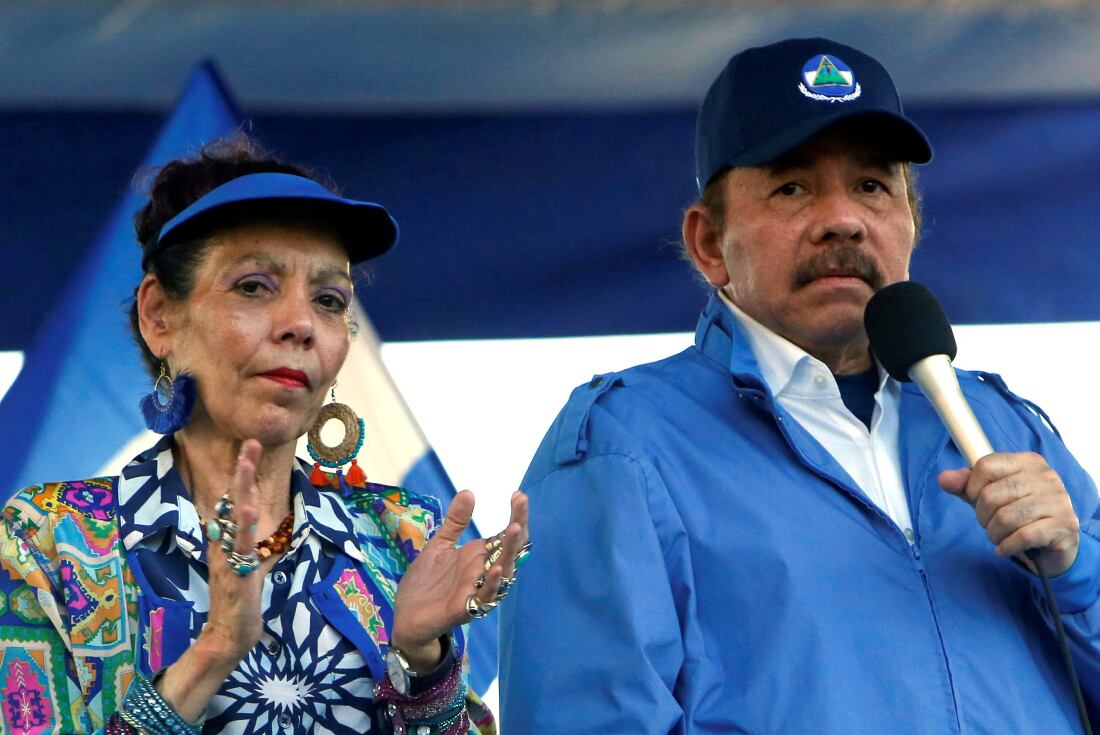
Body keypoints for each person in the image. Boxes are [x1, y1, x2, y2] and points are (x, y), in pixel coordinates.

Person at [500, 37, 1100, 733]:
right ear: (708, 243)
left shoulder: (1006, 426)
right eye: (792, 186)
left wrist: (1076, 568)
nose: (843, 219)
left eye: (873, 186)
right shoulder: (622, 444)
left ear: (909, 224)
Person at [0, 135, 529, 735]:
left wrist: (422, 662)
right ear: (159, 317)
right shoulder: (47, 543)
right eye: (253, 286)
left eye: (330, 300)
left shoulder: (402, 535)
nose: (301, 324)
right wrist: (215, 650)